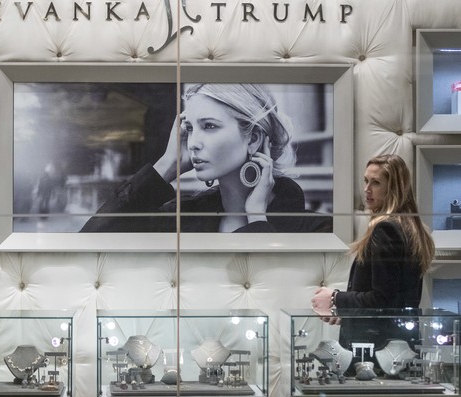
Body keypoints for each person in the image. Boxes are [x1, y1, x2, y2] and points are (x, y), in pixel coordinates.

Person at [81, 83, 332, 233]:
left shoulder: (317, 228)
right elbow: (91, 241)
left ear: (254, 138)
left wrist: (256, 216)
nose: (193, 143)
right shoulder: (182, 218)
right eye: (190, 129)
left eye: (210, 126)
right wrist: (167, 165)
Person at [310, 154, 435, 368]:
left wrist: (335, 298)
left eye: (376, 183)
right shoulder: (408, 229)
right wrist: (347, 312)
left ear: (393, 188)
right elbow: (394, 298)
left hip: (377, 351)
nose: (367, 189)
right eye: (366, 181)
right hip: (395, 346)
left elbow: (382, 300)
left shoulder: (386, 229)